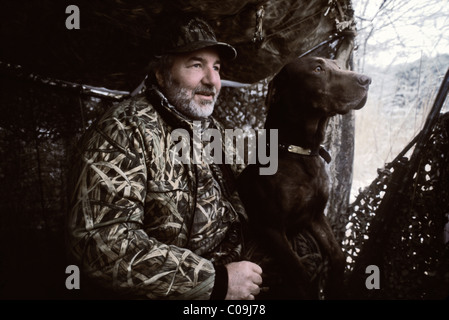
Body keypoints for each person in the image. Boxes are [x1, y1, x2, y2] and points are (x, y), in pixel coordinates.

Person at [67, 16, 263, 300]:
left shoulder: (214, 132)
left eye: (216, 67)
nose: (212, 81)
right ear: (160, 73)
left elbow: (253, 197)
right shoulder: (123, 130)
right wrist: (216, 281)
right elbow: (100, 242)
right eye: (197, 65)